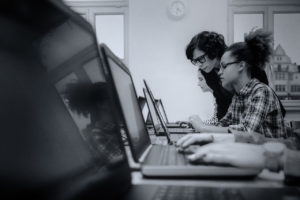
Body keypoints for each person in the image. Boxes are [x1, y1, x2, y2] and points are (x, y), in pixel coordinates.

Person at [189, 29, 287, 138]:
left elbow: (247, 130)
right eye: (194, 61)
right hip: (248, 142)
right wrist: (204, 129)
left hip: (267, 146)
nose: (220, 72)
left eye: (224, 66)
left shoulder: (260, 91)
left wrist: (203, 128)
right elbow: (224, 117)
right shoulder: (238, 96)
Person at [176, 130, 300, 185]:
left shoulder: (260, 91)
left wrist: (275, 158)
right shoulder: (238, 95)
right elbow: (293, 143)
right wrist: (230, 138)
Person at [186, 31, 233, 121]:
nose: (199, 64)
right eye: (194, 61)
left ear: (213, 51)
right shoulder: (207, 72)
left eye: (200, 59)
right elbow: (221, 104)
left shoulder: (233, 64)